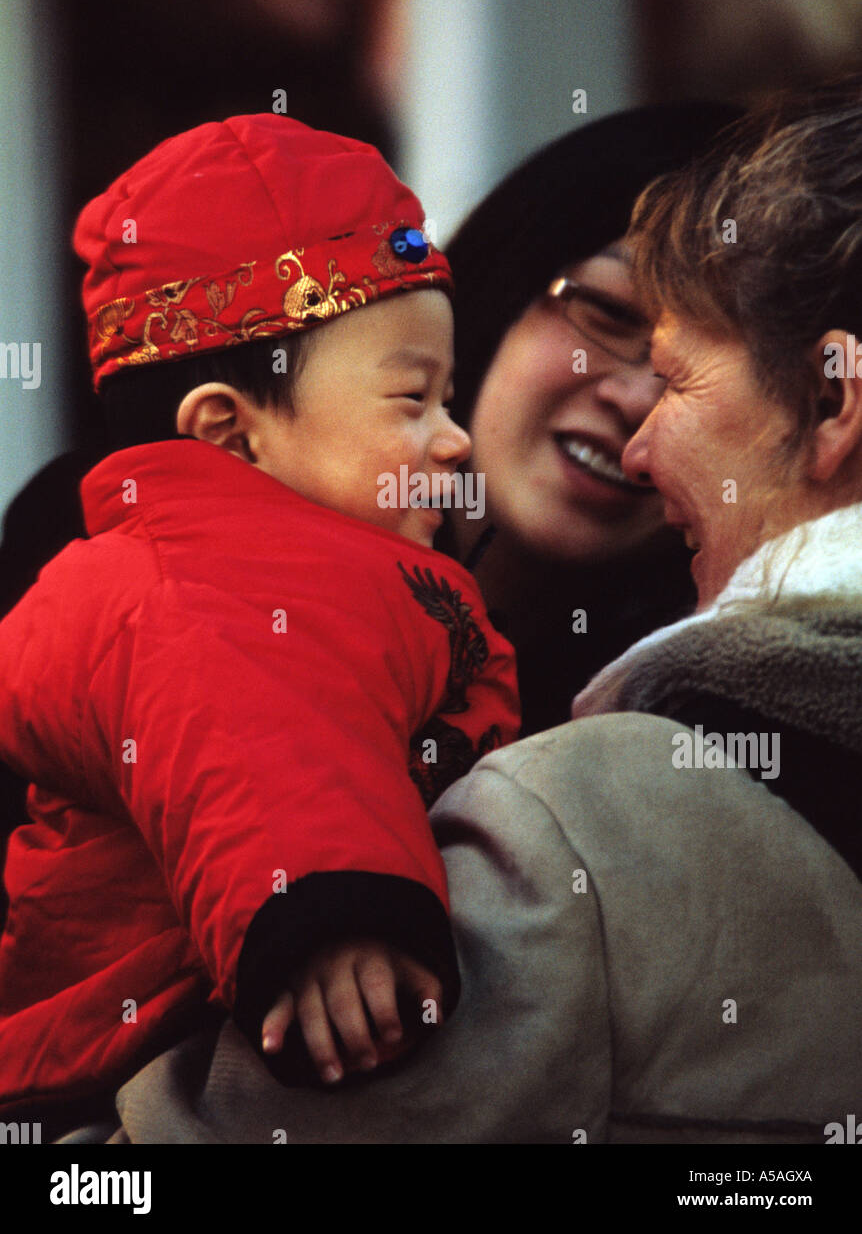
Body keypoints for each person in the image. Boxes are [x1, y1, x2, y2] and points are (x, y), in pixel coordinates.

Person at [107, 80, 862, 1144]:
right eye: (603, 319)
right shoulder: (121, 561)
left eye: (678, 376)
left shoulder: (597, 815)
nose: (637, 426)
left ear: (829, 404)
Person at [0, 114, 519, 1137]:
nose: (454, 438)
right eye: (411, 399)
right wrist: (329, 914)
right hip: (127, 1075)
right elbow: (246, 732)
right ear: (230, 438)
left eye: (450, 397)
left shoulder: (328, 567)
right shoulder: (183, 582)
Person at [441, 103, 739, 733]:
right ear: (498, 285)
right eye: (606, 311)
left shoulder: (693, 739)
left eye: (697, 367)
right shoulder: (260, 586)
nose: (635, 399)